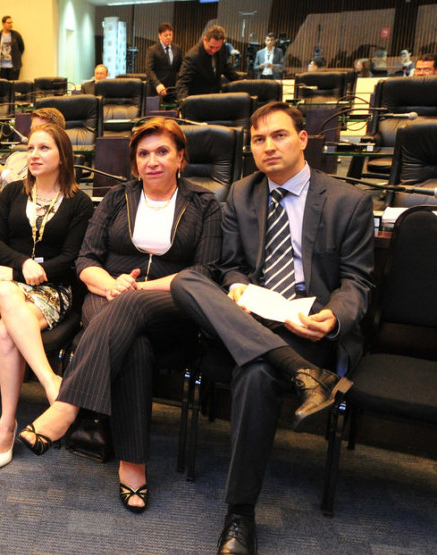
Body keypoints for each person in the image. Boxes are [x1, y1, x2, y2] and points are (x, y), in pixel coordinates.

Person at [169, 102, 373, 554]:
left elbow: (357, 281)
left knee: (257, 374)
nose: (268, 147)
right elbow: (233, 266)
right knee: (186, 281)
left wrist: (334, 316)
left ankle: (239, 514)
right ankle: (300, 375)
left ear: (303, 139)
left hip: (307, 326)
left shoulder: (348, 200)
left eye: (278, 136)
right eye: (258, 140)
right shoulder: (241, 194)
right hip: (252, 316)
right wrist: (238, 288)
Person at [19, 118, 222, 511]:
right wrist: (112, 285)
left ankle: (66, 407)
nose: (152, 161)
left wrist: (138, 290)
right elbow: (86, 260)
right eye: (143, 154)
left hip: (171, 302)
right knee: (135, 347)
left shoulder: (204, 204)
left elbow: (205, 271)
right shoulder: (116, 198)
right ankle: (132, 463)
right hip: (105, 295)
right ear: (134, 164)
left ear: (181, 158)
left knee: (132, 312)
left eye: (163, 151)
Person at [0, 124, 93, 470]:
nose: (33, 155)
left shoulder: (79, 203)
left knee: (6, 332)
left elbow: (72, 259)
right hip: (3, 285)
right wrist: (20, 267)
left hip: (51, 290)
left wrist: (28, 269)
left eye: (44, 148)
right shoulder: (13, 192)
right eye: (30, 148)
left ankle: (6, 422)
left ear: (63, 156)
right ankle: (51, 382)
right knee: (3, 291)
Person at [0, 107, 66, 185]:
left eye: (39, 130)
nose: (33, 134)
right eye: (32, 130)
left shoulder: (58, 163)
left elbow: (35, 189)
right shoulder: (15, 157)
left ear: (57, 133)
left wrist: (3, 171)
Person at [176, 25, 241, 101]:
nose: (214, 50)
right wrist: (184, 103)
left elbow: (226, 67)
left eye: (217, 47)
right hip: (198, 99)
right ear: (204, 39)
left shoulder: (222, 48)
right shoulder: (193, 56)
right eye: (211, 47)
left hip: (215, 98)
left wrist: (240, 80)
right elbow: (182, 83)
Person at [145, 22, 182, 100]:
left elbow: (180, 68)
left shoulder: (177, 49)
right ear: (159, 35)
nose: (168, 37)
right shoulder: (152, 50)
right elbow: (149, 70)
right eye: (165, 35)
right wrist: (157, 84)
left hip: (171, 90)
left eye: (170, 35)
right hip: (156, 90)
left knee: (171, 112)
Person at [0, 16, 25, 80]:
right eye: (9, 23)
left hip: (14, 67)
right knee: (4, 86)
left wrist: (16, 56)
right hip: (2, 67)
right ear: (3, 24)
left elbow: (22, 48)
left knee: (13, 85)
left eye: (11, 23)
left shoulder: (16, 35)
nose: (11, 24)